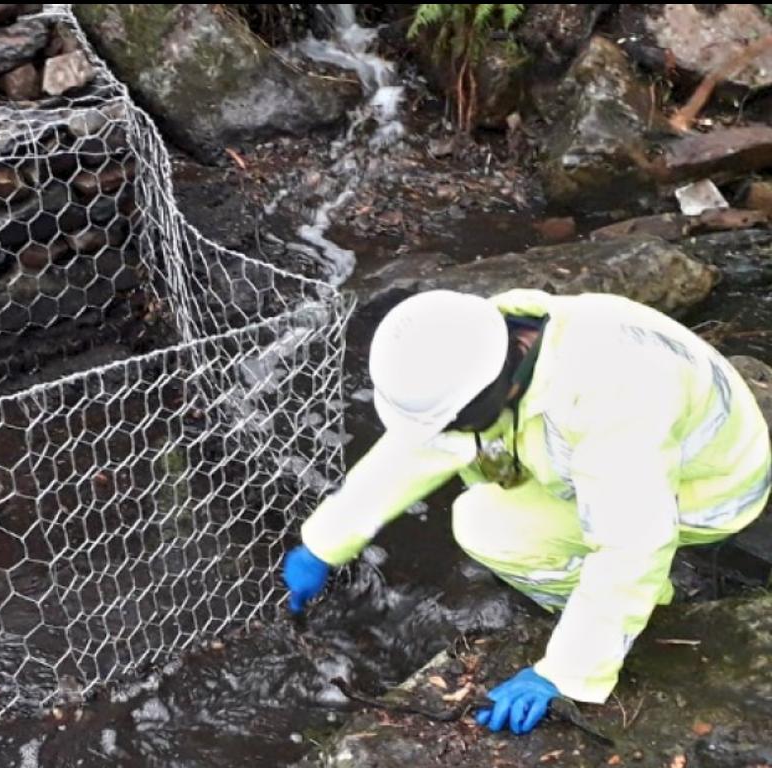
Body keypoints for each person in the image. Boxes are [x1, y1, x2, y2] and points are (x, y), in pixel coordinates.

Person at [282, 288, 771, 736]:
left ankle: (641, 613)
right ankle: (600, 607)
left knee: (487, 527)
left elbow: (632, 542)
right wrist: (325, 542)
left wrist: (565, 671)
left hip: (710, 491)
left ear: (493, 394)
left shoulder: (614, 403)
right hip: (643, 462)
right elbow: (421, 447)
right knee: (488, 502)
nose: (448, 431)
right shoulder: (496, 337)